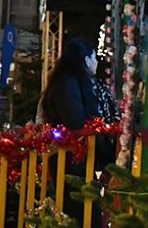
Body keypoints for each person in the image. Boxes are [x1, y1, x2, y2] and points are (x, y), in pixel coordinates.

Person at [41, 37, 117, 170]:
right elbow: (76, 122)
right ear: (87, 60)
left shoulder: (73, 82)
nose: (97, 62)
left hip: (78, 156)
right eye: (94, 58)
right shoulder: (68, 84)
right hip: (73, 159)